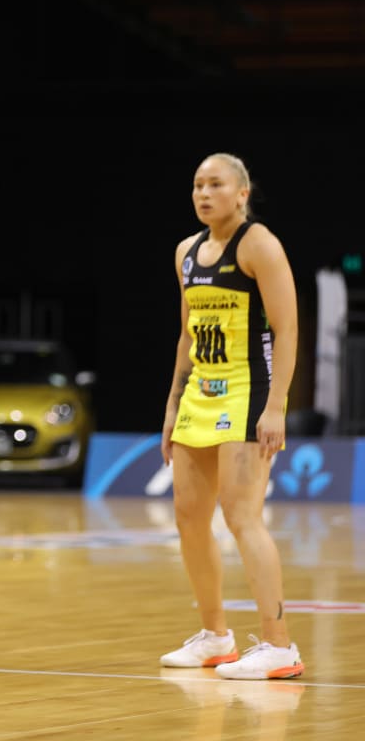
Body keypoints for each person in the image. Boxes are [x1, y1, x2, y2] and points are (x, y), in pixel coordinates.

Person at [159, 152, 304, 680]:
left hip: (247, 393)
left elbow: (287, 330)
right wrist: (173, 406)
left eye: (215, 184)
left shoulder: (259, 245)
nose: (203, 193)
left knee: (242, 517)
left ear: (242, 193)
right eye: (197, 184)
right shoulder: (186, 252)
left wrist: (277, 406)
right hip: (200, 394)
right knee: (189, 518)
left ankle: (279, 645)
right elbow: (186, 333)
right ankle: (215, 637)